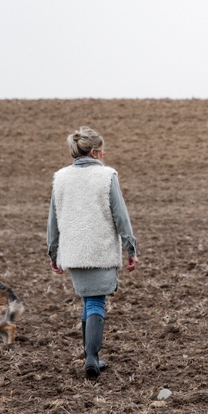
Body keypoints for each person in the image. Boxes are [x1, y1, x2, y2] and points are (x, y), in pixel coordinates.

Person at [47, 126, 139, 379]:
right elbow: (120, 215)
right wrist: (130, 247)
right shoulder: (107, 175)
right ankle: (91, 357)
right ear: (97, 152)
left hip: (73, 251)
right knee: (96, 301)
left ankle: (91, 356)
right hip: (100, 249)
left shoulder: (61, 177)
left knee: (88, 300)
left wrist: (53, 252)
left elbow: (53, 219)